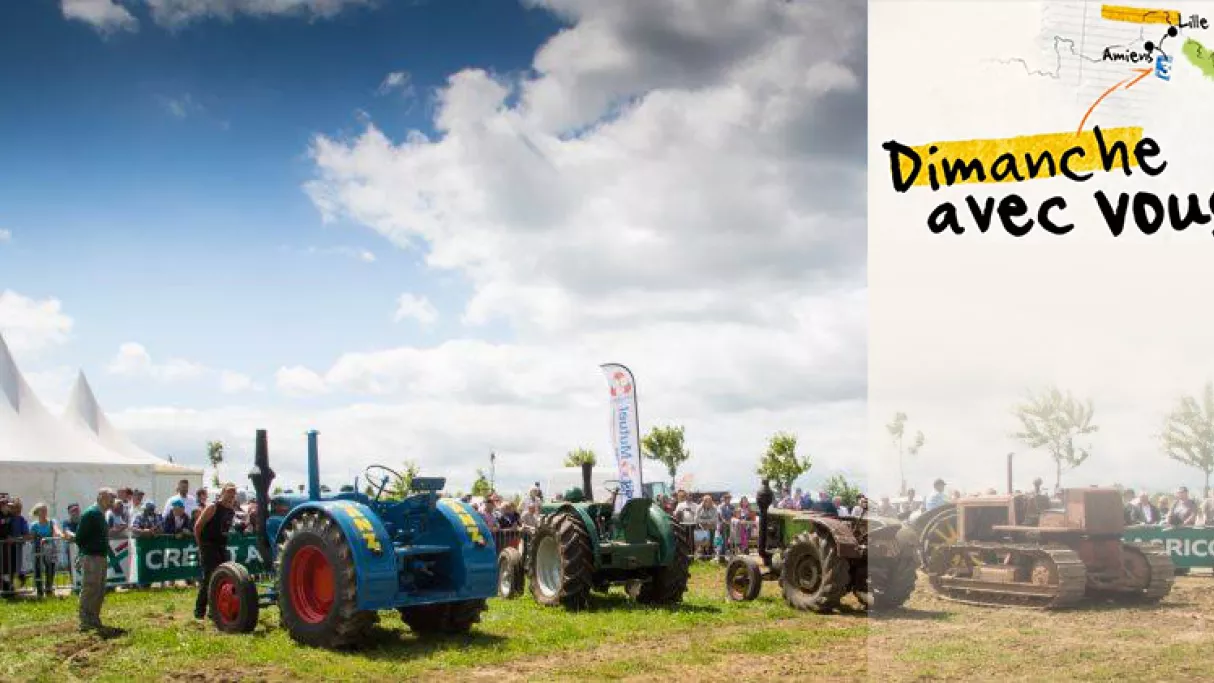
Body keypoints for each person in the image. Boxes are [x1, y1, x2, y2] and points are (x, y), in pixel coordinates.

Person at [77, 488, 119, 633]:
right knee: (90, 588)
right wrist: (86, 551)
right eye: (110, 499)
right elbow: (80, 536)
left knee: (99, 589)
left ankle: (94, 618)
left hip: (100, 556)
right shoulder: (91, 513)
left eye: (113, 500)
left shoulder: (101, 514)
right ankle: (85, 620)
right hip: (92, 556)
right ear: (101, 497)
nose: (112, 503)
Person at [194, 483, 238, 620]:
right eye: (229, 492)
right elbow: (197, 527)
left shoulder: (231, 510)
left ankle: (215, 611)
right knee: (209, 579)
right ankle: (199, 612)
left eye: (233, 492)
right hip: (208, 546)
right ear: (223, 492)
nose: (231, 495)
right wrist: (200, 546)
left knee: (224, 577)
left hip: (221, 546)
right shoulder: (213, 507)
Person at [29, 503, 62, 598]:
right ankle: (39, 590)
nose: (44, 512)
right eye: (42, 510)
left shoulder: (52, 522)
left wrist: (59, 534)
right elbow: (31, 536)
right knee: (38, 569)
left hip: (50, 549)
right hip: (38, 549)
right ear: (37, 512)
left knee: (51, 569)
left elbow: (56, 530)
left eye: (45, 510)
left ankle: (49, 589)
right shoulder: (34, 525)